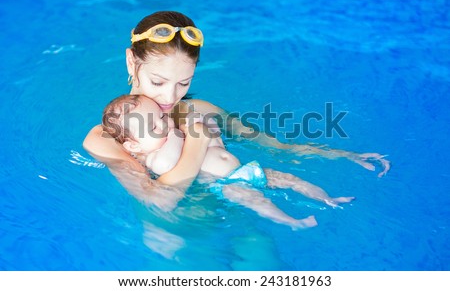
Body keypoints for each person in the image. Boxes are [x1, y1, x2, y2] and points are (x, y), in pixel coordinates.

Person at [83, 11, 390, 211]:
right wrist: (197, 143)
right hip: (177, 235)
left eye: (183, 83)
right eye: (158, 81)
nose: (170, 96)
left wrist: (343, 156)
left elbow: (276, 147)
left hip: (243, 212)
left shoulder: (199, 111)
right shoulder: (107, 138)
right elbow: (159, 200)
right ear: (132, 63)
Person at [102, 94, 356, 229]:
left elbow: (203, 136)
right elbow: (175, 170)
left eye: (161, 116)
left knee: (291, 179)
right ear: (134, 145)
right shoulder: (153, 156)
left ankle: (327, 199)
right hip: (226, 183)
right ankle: (290, 222)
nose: (164, 123)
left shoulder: (173, 130)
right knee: (256, 200)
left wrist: (205, 129)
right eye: (153, 124)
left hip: (246, 169)